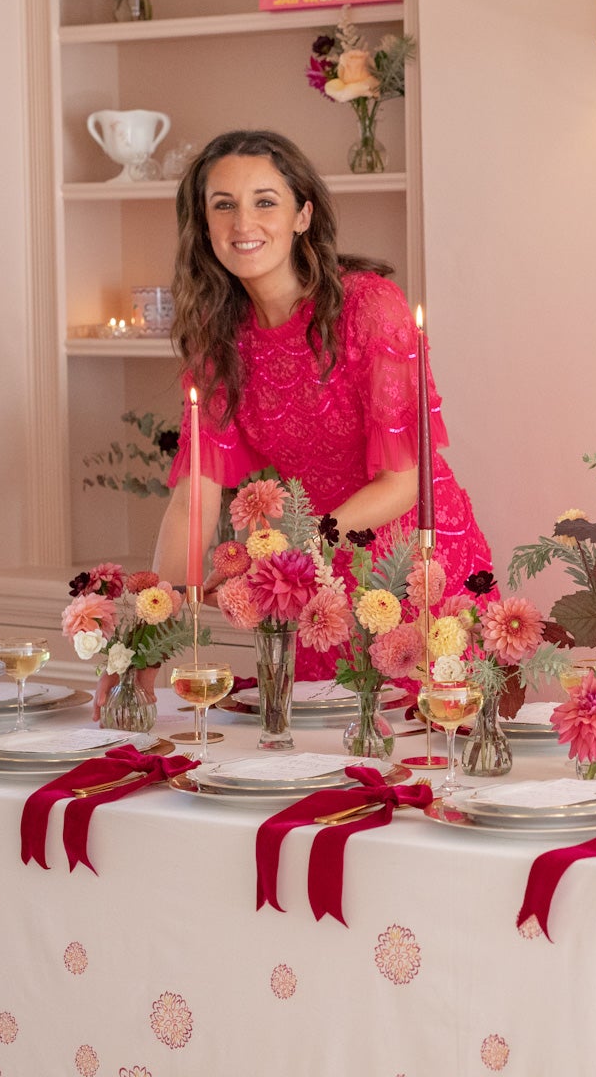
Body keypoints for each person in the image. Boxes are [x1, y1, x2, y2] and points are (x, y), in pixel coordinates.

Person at [95, 129, 491, 715]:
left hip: (417, 567)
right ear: (204, 227)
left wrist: (293, 552)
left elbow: (405, 483)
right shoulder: (218, 337)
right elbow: (191, 503)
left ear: (303, 214)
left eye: (265, 201)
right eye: (222, 205)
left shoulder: (369, 307)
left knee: (423, 762)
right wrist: (146, 644)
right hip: (313, 583)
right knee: (315, 760)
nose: (242, 222)